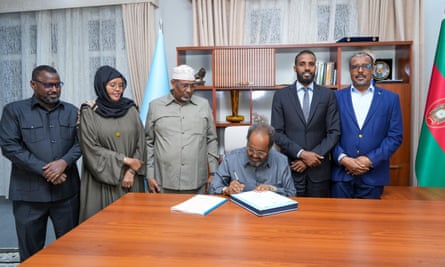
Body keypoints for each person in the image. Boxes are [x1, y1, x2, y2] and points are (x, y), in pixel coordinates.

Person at [0, 65, 81, 262]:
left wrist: (63, 162)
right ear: (33, 85)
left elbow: (83, 143)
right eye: (48, 85)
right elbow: (9, 146)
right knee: (31, 253)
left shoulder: (72, 111)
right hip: (29, 195)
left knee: (71, 249)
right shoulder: (14, 111)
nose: (54, 90)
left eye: (57, 85)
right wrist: (46, 170)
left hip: (66, 194)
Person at [78, 65, 146, 222]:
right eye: (112, 85)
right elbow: (90, 149)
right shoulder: (89, 112)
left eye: (121, 85)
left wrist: (131, 172)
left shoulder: (131, 109)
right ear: (101, 86)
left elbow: (141, 143)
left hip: (131, 180)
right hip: (101, 182)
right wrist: (125, 160)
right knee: (104, 231)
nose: (118, 90)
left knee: (133, 227)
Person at [331, 51, 403, 199]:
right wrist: (344, 159)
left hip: (373, 176)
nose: (360, 71)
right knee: (338, 221)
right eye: (355, 67)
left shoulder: (390, 99)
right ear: (350, 70)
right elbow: (328, 133)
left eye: (365, 66)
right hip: (341, 177)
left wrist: (369, 160)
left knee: (371, 221)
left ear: (373, 69)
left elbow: (395, 137)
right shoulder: (335, 97)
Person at [271, 50, 341, 197]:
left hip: (319, 171)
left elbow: (334, 132)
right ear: (295, 68)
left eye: (311, 64)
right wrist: (302, 154)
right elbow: (277, 133)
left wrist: (311, 157)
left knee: (320, 217)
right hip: (291, 168)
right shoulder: (281, 96)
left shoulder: (328, 95)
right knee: (291, 217)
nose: (307, 68)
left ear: (315, 67)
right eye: (302, 64)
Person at [145, 64, 218, 194]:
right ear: (173, 83)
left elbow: (211, 139)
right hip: (163, 182)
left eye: (192, 86)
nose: (189, 90)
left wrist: (213, 172)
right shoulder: (155, 106)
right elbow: (148, 142)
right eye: (184, 85)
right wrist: (149, 175)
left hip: (196, 182)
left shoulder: (203, 105)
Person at [209, 120, 296, 197]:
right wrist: (226, 190)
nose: (254, 155)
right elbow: (212, 188)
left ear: (269, 148)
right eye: (250, 149)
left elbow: (292, 193)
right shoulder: (231, 158)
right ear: (247, 142)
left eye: (260, 152)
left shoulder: (281, 161)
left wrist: (272, 189)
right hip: (238, 212)